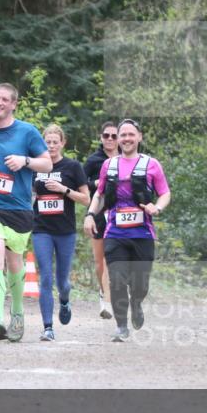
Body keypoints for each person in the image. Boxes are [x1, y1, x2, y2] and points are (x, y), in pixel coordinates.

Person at [0, 83, 52, 342]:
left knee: (14, 262)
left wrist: (24, 161)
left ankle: (16, 312)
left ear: (14, 104)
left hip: (18, 208)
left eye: (5, 99)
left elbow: (47, 164)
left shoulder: (27, 132)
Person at [82, 119, 171, 342]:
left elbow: (165, 193)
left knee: (140, 284)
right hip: (115, 232)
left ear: (139, 137)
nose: (126, 139)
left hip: (142, 233)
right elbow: (100, 194)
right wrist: (90, 215)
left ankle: (137, 303)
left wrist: (157, 207)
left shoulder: (151, 164)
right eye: (123, 135)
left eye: (131, 135)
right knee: (117, 280)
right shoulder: (108, 165)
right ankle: (121, 326)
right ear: (118, 139)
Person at [32, 124, 90, 341]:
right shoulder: (37, 167)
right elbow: (29, 194)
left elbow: (86, 199)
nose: (52, 145)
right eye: (48, 142)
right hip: (41, 230)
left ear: (63, 143)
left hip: (65, 231)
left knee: (62, 281)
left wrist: (63, 189)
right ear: (43, 144)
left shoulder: (73, 167)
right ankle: (48, 327)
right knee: (45, 277)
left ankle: (65, 300)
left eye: (56, 142)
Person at [82, 121, 119, 320]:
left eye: (114, 136)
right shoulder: (94, 160)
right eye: (107, 135)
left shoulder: (126, 159)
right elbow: (80, 183)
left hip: (119, 213)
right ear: (101, 138)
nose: (110, 139)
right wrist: (94, 183)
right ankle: (103, 291)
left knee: (111, 258)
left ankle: (109, 298)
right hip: (98, 213)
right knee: (99, 262)